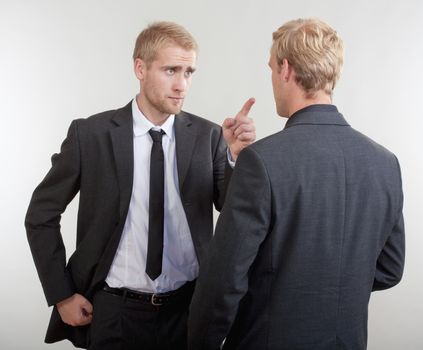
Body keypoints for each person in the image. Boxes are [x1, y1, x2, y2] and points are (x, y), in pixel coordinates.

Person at [25, 21, 255, 350]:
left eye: (189, 72)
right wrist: (61, 294)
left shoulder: (209, 136)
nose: (182, 85)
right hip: (113, 313)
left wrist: (234, 157)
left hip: (188, 311)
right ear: (140, 68)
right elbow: (40, 214)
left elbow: (233, 211)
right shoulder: (90, 135)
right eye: (171, 70)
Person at [187, 18, 405, 350]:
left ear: (286, 69)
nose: (273, 78)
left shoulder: (261, 160)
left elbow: (223, 283)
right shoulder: (385, 162)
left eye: (272, 68)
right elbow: (390, 268)